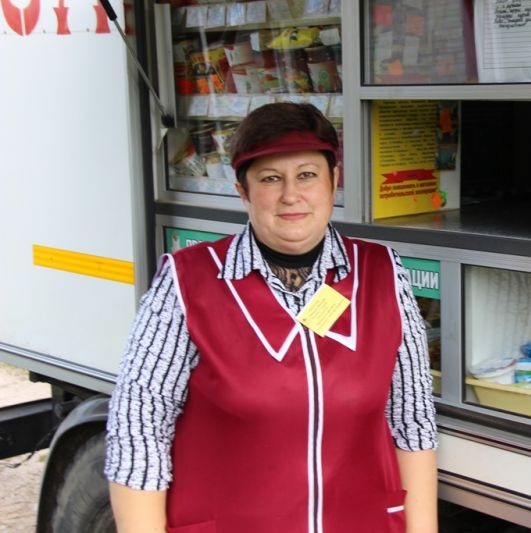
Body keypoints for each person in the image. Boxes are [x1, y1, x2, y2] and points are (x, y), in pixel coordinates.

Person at [105, 102, 438, 532]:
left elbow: (412, 421)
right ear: (243, 191)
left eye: (307, 175)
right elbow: (139, 431)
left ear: (334, 181)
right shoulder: (187, 283)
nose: (291, 195)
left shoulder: (382, 273)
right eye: (270, 179)